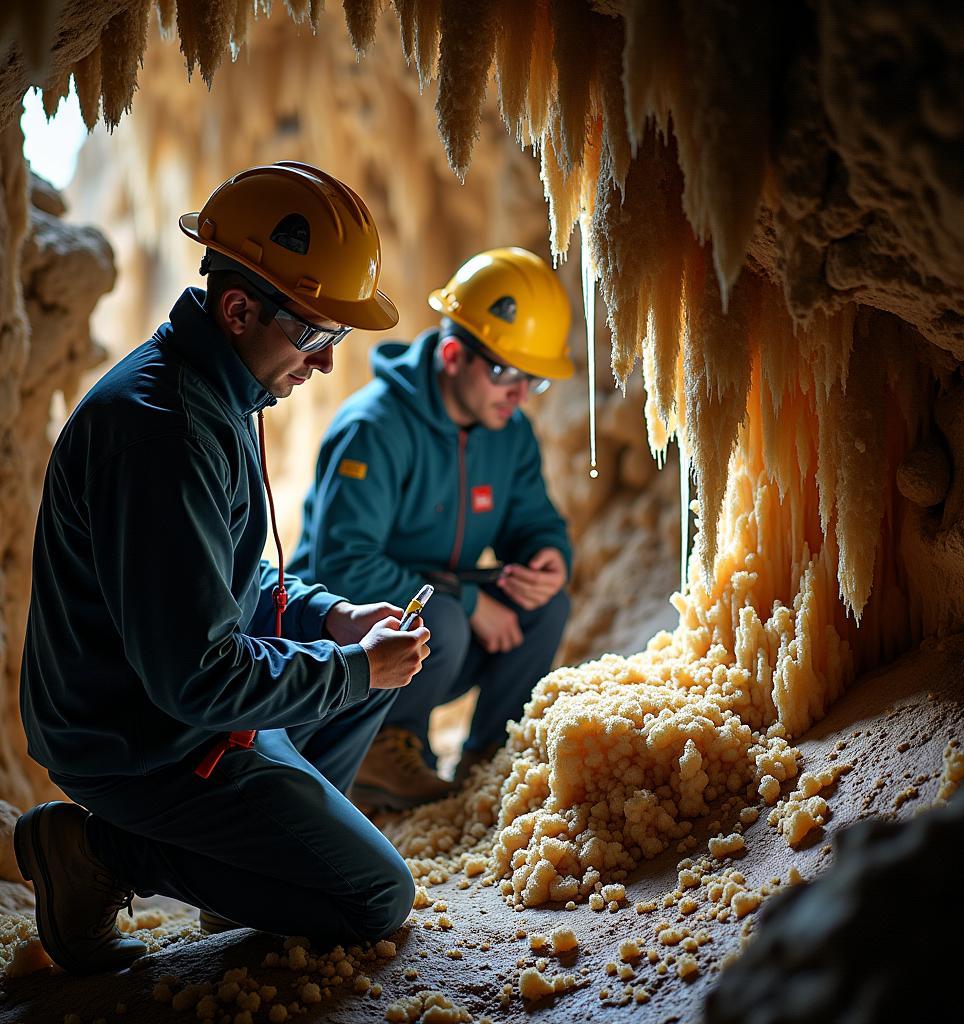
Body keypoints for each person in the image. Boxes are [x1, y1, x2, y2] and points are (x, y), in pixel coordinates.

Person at [13, 162, 431, 975]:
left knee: (357, 684)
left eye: (336, 338)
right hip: (138, 738)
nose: (326, 363)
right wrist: (351, 668)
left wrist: (332, 620)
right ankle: (103, 853)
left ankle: (248, 868)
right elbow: (198, 678)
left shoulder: (219, 389)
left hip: (173, 701)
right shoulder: (165, 434)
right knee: (375, 901)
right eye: (315, 333)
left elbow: (228, 579)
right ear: (239, 309)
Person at [288, 247, 574, 810]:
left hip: (441, 618)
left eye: (531, 380)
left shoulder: (508, 432)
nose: (517, 394)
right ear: (451, 354)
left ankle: (487, 756)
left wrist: (548, 554)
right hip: (345, 637)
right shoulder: (375, 427)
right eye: (503, 372)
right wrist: (469, 601)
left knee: (546, 606)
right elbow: (340, 563)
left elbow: (533, 520)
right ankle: (379, 748)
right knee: (440, 619)